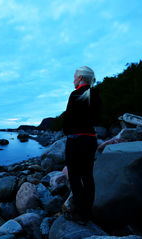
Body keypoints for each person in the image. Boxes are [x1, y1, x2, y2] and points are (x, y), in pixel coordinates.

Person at [62, 66, 101, 223]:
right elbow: (97, 117)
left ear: (80, 78)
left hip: (76, 140)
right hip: (90, 139)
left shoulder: (75, 94)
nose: (73, 80)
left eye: (74, 77)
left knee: (75, 176)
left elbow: (68, 118)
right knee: (88, 175)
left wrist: (67, 131)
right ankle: (88, 211)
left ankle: (80, 212)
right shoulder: (95, 94)